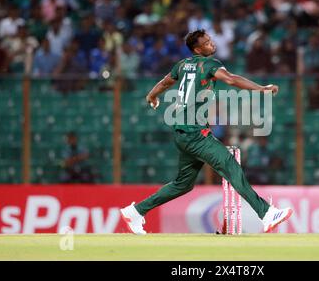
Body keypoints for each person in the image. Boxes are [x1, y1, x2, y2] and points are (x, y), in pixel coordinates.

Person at [120, 29, 293, 234]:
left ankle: (136, 211)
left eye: (210, 40)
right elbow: (230, 79)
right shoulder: (210, 64)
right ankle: (266, 213)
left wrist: (151, 96)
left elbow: (166, 82)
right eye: (207, 42)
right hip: (195, 133)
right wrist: (262, 89)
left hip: (181, 133)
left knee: (182, 185)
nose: (212, 44)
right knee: (231, 166)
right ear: (197, 49)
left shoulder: (183, 65)